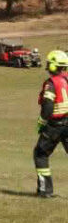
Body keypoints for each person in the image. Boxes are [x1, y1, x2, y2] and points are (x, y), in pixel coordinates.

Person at [34, 49, 68, 197]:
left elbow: (48, 106)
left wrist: (41, 122)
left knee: (40, 154)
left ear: (53, 65)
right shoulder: (67, 80)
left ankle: (45, 190)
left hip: (55, 125)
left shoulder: (51, 83)